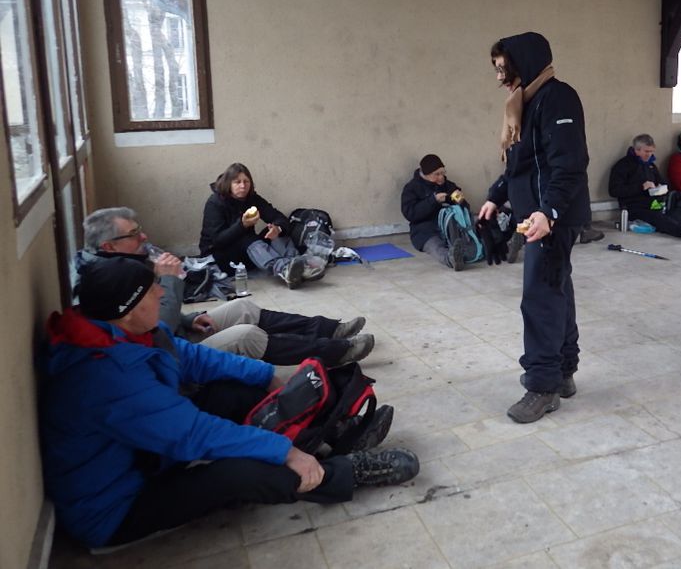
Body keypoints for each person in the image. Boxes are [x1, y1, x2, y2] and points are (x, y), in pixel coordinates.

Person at [41, 255, 419, 552]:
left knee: (236, 392)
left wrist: (264, 376)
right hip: (118, 506)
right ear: (126, 310)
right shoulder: (102, 376)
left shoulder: (120, 333)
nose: (162, 292)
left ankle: (330, 437)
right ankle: (343, 472)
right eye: (151, 289)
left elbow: (193, 357)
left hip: (143, 457)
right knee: (236, 473)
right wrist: (284, 452)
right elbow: (191, 434)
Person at [78, 207, 374, 366]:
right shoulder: (106, 277)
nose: (144, 238)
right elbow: (157, 330)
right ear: (108, 245)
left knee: (243, 306)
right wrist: (171, 279)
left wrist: (189, 319)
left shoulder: (118, 261)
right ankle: (338, 351)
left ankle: (330, 329)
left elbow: (155, 321)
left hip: (177, 334)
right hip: (167, 357)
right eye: (134, 234)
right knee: (248, 336)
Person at [478, 31, 590, 424]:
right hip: (537, 217)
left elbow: (570, 163)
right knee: (557, 289)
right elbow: (520, 164)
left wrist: (550, 212)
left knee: (540, 297)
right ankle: (562, 372)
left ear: (524, 62)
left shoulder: (557, 98)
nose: (499, 77)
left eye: (502, 68)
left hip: (550, 220)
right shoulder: (525, 103)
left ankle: (542, 386)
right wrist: (496, 195)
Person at [200, 163, 326, 289]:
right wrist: (242, 225)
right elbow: (217, 240)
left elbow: (279, 218)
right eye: (237, 182)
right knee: (247, 237)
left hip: (246, 253)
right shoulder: (215, 203)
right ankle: (284, 269)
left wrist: (277, 229)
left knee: (274, 231)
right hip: (220, 257)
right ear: (229, 184)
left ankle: (298, 265)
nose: (243, 186)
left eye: (246, 182)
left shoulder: (252, 199)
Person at [609, 134, 681, 239]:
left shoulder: (651, 165)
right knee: (658, 218)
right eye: (646, 151)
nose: (649, 155)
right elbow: (614, 190)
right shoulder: (623, 166)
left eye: (651, 151)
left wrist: (661, 187)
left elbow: (663, 182)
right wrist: (641, 187)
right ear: (636, 150)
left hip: (655, 203)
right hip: (634, 206)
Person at [400, 154, 468, 271]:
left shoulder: (447, 185)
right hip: (424, 232)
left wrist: (459, 199)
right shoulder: (412, 188)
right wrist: (433, 201)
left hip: (448, 227)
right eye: (436, 174)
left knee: (469, 235)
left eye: (443, 173)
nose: (441, 177)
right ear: (425, 174)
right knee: (436, 247)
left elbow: (463, 205)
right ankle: (451, 259)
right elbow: (410, 213)